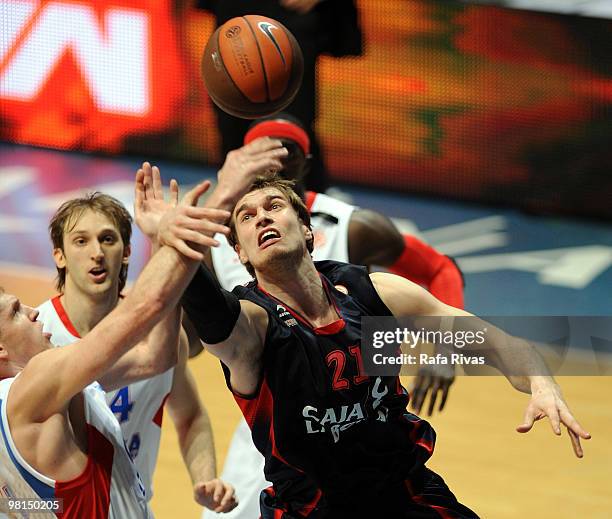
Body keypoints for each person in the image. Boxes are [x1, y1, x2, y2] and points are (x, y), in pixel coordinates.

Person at [165, 173, 590, 518]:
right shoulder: (254, 323)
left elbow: (496, 345)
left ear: (308, 231)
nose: (261, 218)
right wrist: (178, 248)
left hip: (404, 494)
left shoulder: (374, 295)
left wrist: (540, 380)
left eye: (274, 207)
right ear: (240, 252)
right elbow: (214, 319)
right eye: (247, 216)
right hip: (313, 509)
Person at [204, 113, 464, 518]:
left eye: (285, 152)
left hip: (366, 418)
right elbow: (197, 336)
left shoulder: (352, 225)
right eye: (261, 152)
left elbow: (440, 269)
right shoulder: (220, 236)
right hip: (280, 426)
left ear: (305, 164)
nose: (273, 162)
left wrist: (446, 346)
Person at [0, 175, 230, 518]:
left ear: (125, 251)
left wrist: (46, 507)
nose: (32, 311)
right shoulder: (38, 381)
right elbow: (147, 307)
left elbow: (156, 357)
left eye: (107, 239)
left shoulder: (30, 389)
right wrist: (172, 236)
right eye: (17, 312)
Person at [195, 0, 363, 192]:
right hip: (236, 13)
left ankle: (306, 204)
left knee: (287, 130)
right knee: (231, 114)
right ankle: (235, 200)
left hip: (288, 17)